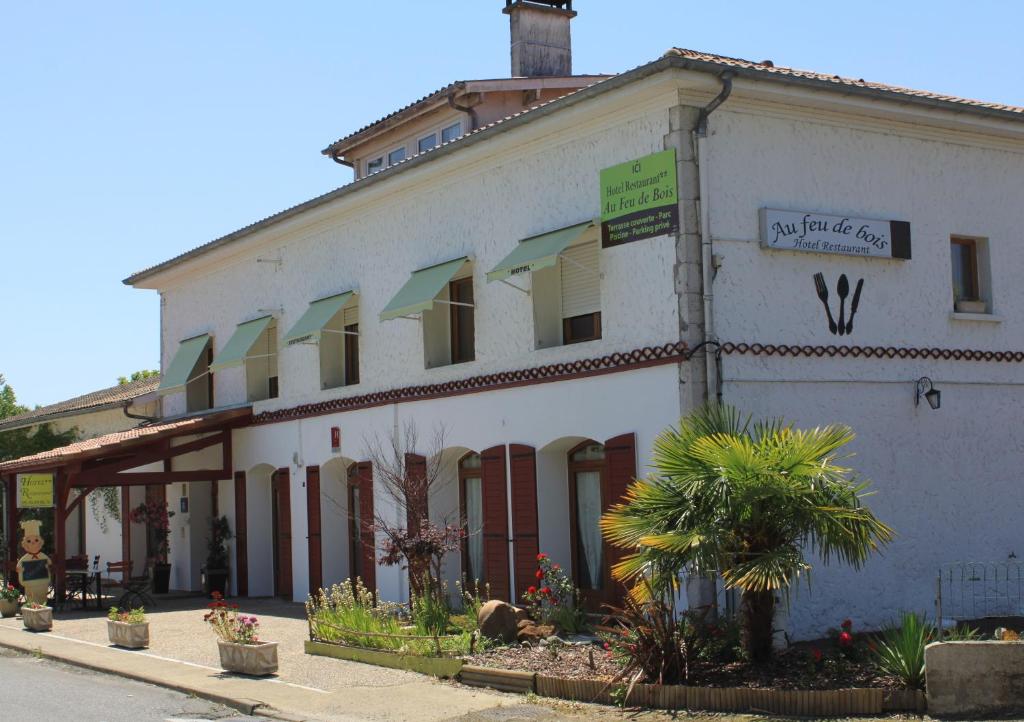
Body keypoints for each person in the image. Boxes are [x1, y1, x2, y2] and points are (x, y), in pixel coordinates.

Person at [16, 519, 51, 606]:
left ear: (40, 542)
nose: (33, 543)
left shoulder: (43, 556)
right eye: (29, 541)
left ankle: (42, 606)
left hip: (42, 583)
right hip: (30, 584)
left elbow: (49, 564)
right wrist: (19, 569)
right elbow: (18, 567)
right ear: (25, 544)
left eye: (36, 540)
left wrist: (48, 566)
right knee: (31, 598)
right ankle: (31, 607)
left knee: (42, 597)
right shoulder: (25, 558)